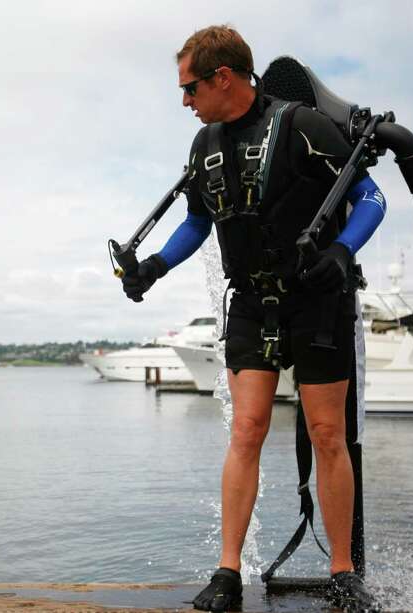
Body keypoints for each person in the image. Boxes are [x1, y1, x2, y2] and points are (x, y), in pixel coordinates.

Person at [121, 26, 386, 612]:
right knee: (246, 431)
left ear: (223, 78)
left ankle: (343, 572)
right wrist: (155, 266)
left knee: (327, 434)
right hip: (251, 302)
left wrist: (342, 252)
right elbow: (198, 221)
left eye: (189, 88)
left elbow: (370, 197)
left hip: (317, 298)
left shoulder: (302, 126)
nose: (184, 101)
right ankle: (226, 572)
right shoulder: (204, 145)